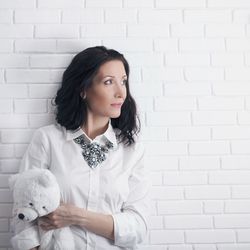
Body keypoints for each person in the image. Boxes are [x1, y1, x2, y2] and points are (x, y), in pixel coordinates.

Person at [10, 46, 151, 250]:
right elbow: (22, 212)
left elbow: (138, 227)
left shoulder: (132, 151)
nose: (121, 93)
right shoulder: (48, 140)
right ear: (83, 89)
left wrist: (76, 216)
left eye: (123, 81)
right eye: (109, 82)